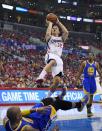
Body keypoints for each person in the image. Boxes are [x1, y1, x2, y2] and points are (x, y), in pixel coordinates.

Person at [3, 90, 89, 131]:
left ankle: (57, 98)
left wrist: (36, 109)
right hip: (40, 122)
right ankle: (79, 105)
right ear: (18, 117)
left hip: (32, 117)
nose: (21, 111)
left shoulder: (6, 120)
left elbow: (21, 113)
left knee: (44, 101)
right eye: (19, 111)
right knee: (58, 104)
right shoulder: (26, 128)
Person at [35, 16, 69, 97]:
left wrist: (58, 22)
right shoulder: (49, 37)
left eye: (55, 28)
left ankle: (47, 97)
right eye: (53, 28)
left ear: (58, 31)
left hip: (59, 59)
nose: (54, 29)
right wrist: (50, 23)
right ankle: (40, 77)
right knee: (53, 61)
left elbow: (66, 32)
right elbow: (47, 33)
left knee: (56, 81)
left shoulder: (61, 38)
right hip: (50, 55)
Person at [75, 53, 102, 117]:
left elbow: (99, 71)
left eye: (91, 55)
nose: (89, 56)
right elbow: (80, 72)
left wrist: (101, 76)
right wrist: (77, 79)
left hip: (93, 80)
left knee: (91, 97)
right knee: (88, 94)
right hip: (86, 80)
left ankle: (88, 111)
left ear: (93, 56)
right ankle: (81, 101)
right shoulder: (84, 63)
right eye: (88, 55)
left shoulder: (96, 64)